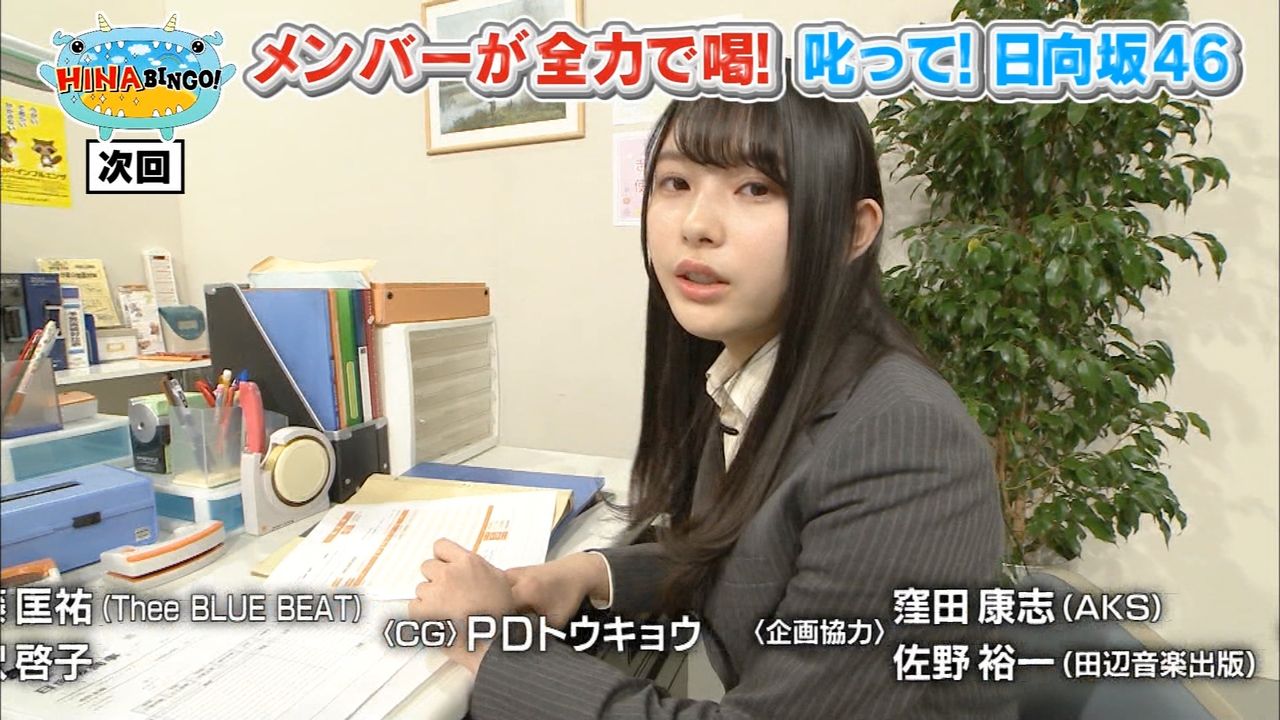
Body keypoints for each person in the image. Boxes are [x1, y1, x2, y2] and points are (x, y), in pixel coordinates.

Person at [410, 86, 1014, 719]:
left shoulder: (908, 443)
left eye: (755, 188)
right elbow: (751, 558)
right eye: (675, 183)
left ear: (851, 231)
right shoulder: (750, 375)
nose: (696, 224)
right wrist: (591, 575)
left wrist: (497, 648)